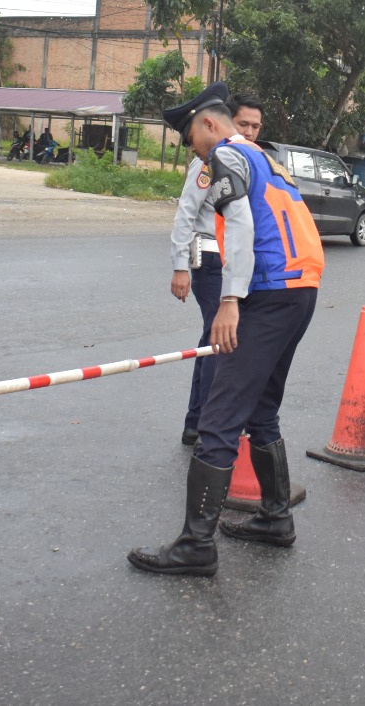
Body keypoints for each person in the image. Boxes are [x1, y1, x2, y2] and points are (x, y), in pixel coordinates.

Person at [130, 82, 321, 577]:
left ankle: (196, 545)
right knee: (261, 409)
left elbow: (238, 225)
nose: (191, 150)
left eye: (191, 138)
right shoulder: (263, 157)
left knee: (218, 418)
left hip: (268, 293)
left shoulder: (226, 155)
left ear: (209, 124)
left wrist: (230, 300)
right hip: (300, 289)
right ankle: (275, 518)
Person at [169, 92, 265, 445]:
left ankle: (197, 422)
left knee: (212, 341)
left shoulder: (246, 156)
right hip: (211, 260)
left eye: (256, 127)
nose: (249, 132)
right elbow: (186, 213)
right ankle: (208, 424)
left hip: (230, 261)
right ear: (224, 122)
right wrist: (180, 266)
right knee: (221, 341)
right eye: (243, 125)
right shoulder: (212, 158)